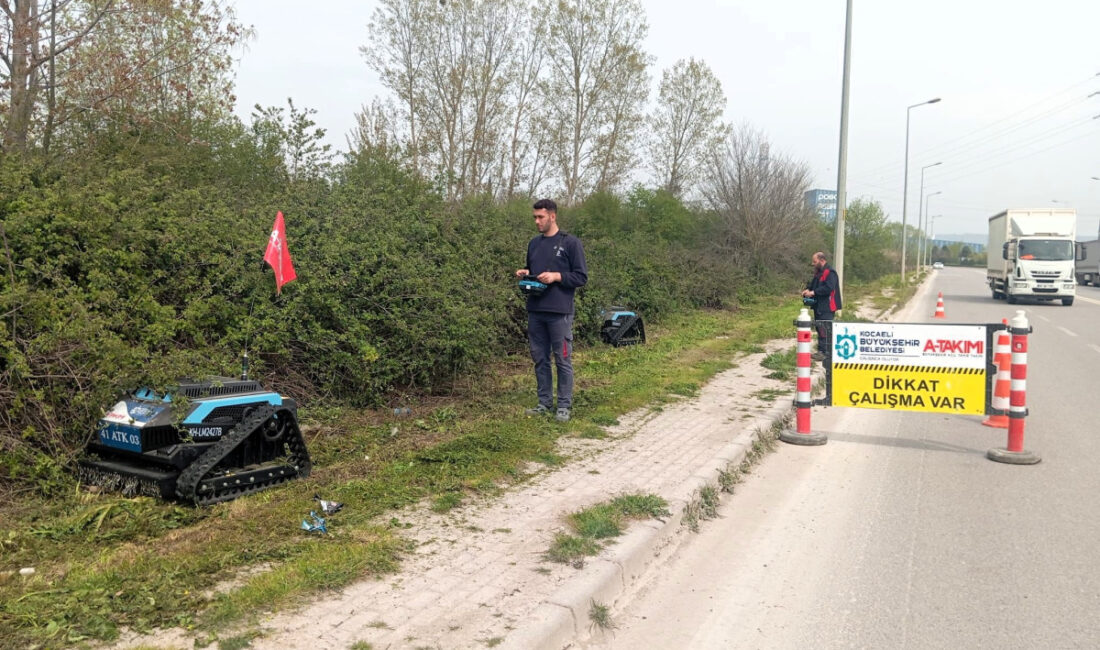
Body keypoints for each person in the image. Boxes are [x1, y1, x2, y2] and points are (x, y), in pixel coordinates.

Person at [515, 199, 588, 422]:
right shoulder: (534, 243)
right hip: (536, 309)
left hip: (560, 312)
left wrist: (557, 276)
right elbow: (534, 270)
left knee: (562, 359)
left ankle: (564, 406)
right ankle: (544, 403)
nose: (537, 221)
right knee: (540, 359)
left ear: (552, 216)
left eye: (541, 217)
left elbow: (581, 277)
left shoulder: (570, 243)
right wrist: (526, 273)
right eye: (535, 217)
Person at [801, 251, 841, 362]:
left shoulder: (830, 272)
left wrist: (813, 293)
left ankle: (825, 353)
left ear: (822, 260)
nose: (813, 264)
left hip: (827, 306)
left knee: (825, 329)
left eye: (814, 261)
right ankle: (821, 351)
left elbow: (828, 288)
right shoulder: (818, 273)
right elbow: (813, 284)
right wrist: (808, 289)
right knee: (819, 328)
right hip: (819, 305)